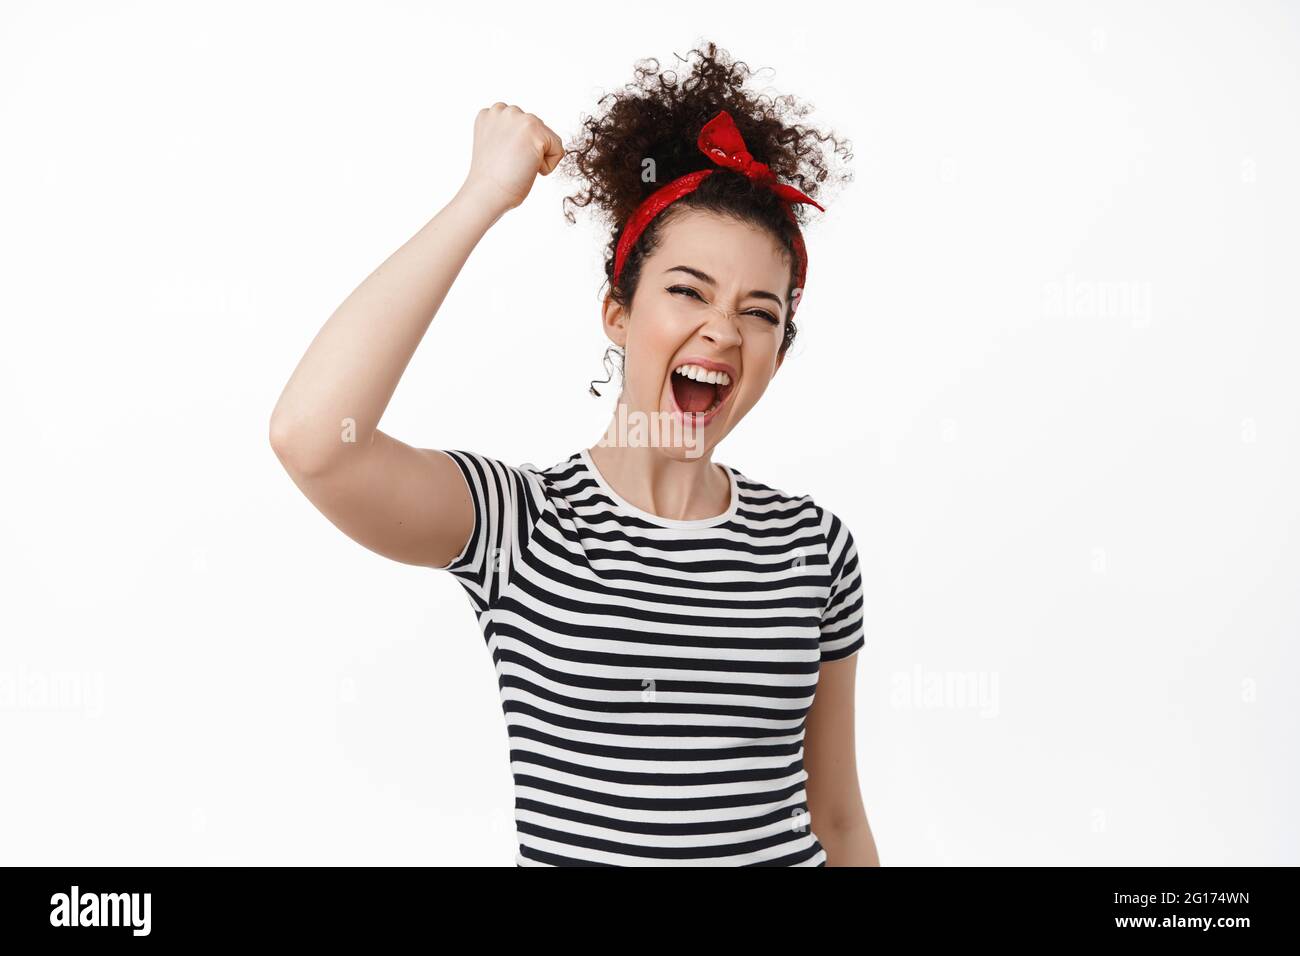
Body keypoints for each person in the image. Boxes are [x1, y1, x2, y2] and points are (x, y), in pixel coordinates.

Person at [270, 41, 877, 866]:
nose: (724, 331)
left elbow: (837, 817)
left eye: (760, 312)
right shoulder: (522, 524)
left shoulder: (814, 549)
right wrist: (482, 196)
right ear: (617, 315)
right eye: (687, 291)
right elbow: (314, 442)